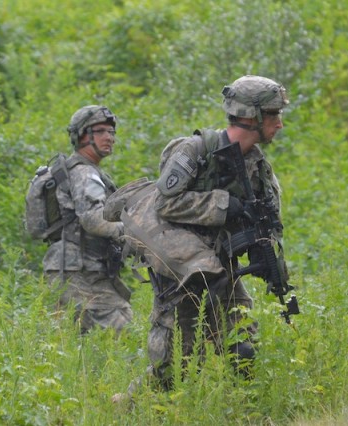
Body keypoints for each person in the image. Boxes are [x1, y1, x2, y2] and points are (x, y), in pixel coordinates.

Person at [116, 75, 290, 394]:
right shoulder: (197, 150)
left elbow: (269, 223)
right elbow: (166, 202)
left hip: (225, 270)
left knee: (243, 351)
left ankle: (243, 412)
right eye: (274, 114)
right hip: (183, 273)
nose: (279, 124)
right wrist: (225, 204)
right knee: (173, 370)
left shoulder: (258, 168)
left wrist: (268, 258)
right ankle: (125, 408)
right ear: (253, 116)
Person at [43, 105, 133, 334]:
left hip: (75, 268)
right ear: (82, 135)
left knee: (72, 341)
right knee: (121, 328)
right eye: (101, 131)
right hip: (77, 272)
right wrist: (130, 232)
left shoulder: (85, 170)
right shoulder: (85, 173)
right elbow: (92, 219)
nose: (109, 137)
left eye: (112, 132)